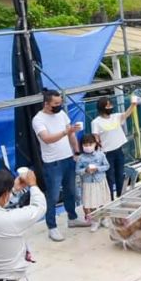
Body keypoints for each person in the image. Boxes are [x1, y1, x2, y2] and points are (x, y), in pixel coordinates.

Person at [32, 90, 87, 241]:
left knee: (71, 190)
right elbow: (47, 139)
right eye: (55, 104)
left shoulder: (62, 114)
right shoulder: (38, 119)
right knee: (53, 195)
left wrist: (76, 151)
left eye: (60, 103)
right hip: (53, 162)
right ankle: (52, 226)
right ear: (46, 104)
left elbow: (71, 134)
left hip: (68, 158)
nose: (59, 106)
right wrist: (65, 132)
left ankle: (72, 217)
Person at [91, 94, 140, 198]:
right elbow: (95, 136)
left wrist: (133, 104)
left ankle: (120, 195)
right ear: (101, 107)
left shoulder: (115, 117)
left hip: (118, 150)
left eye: (110, 105)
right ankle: (109, 197)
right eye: (107, 106)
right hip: (106, 152)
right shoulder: (96, 122)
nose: (109, 108)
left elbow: (126, 114)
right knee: (109, 176)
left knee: (120, 174)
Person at [76, 134, 111, 231]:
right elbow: (77, 170)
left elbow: (107, 166)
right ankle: (95, 221)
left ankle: (104, 218)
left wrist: (98, 169)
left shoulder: (101, 154)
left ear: (95, 144)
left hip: (100, 181)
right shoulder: (81, 158)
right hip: (88, 183)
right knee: (91, 203)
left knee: (102, 201)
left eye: (90, 144)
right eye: (85, 145)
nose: (88, 146)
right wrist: (85, 171)